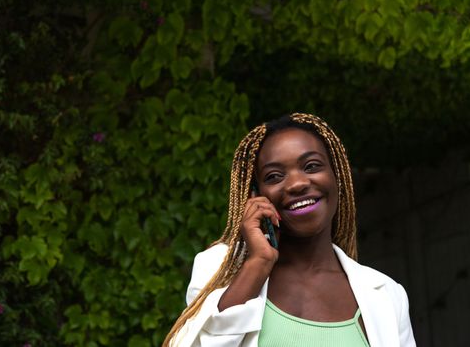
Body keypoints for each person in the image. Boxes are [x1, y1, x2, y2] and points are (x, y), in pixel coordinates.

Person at [163, 113, 416, 347]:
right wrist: (258, 263)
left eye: (312, 166)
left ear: (337, 177)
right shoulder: (217, 268)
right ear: (256, 195)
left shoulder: (386, 295)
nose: (296, 184)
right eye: (274, 176)